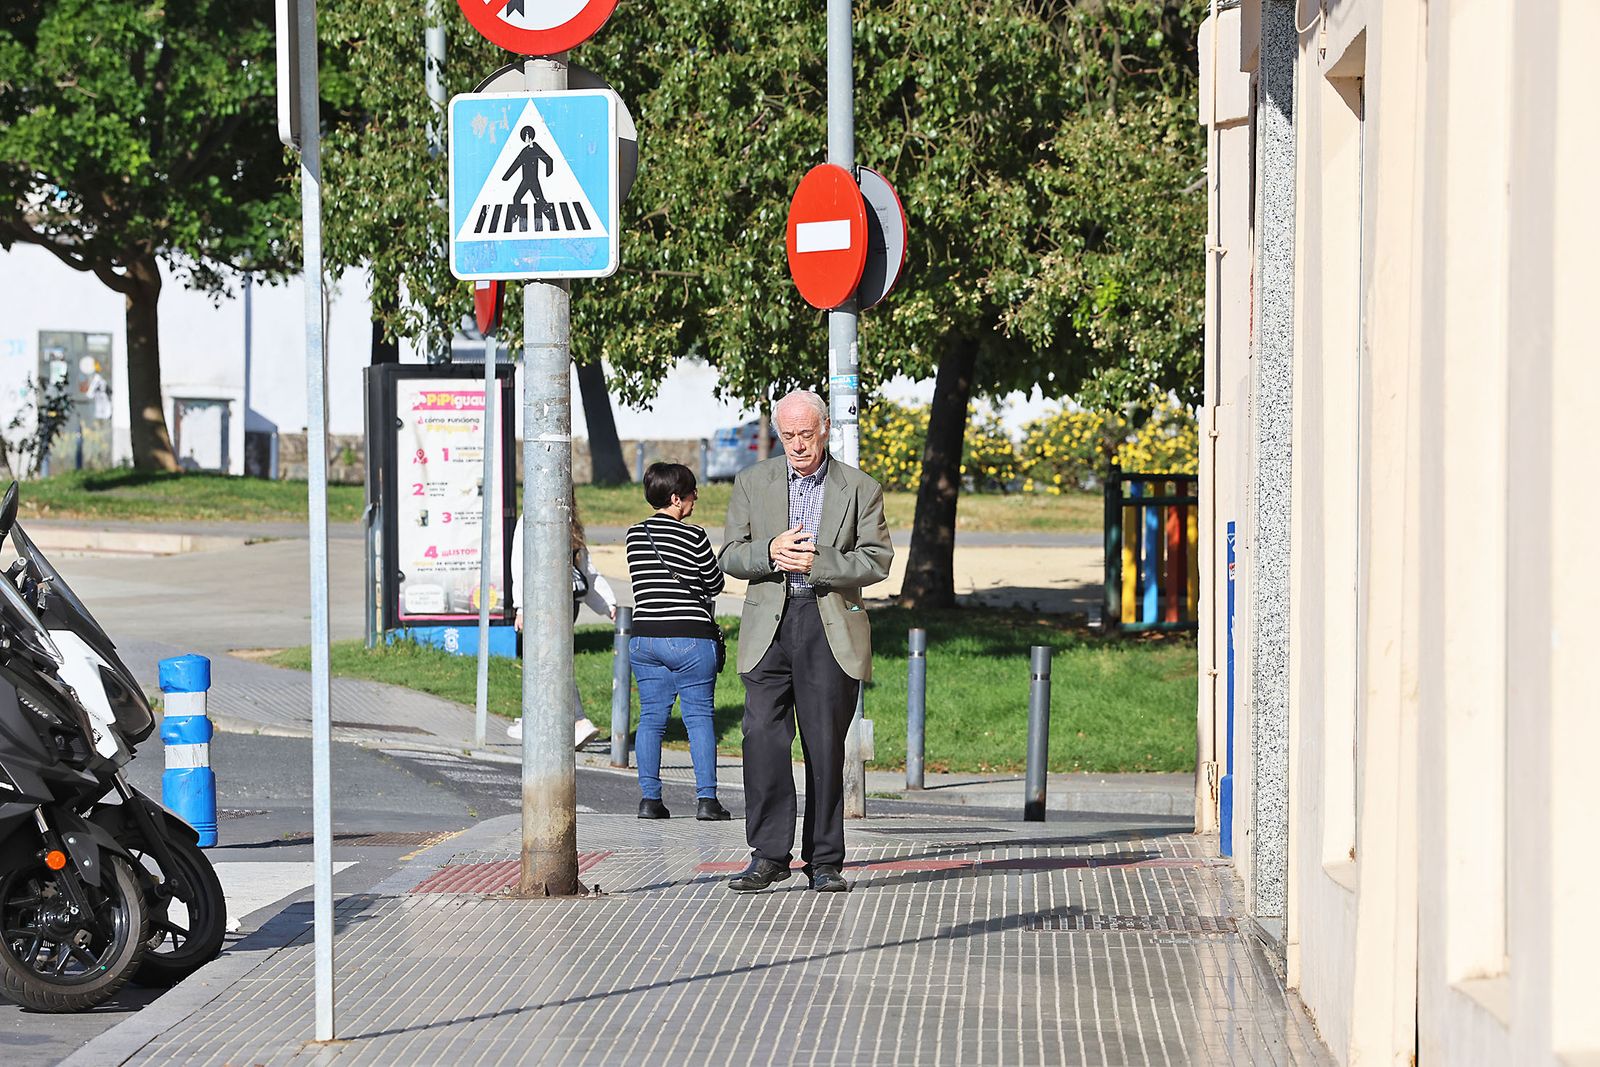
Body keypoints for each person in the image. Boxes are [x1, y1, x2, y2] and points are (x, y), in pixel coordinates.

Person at [718, 390, 893, 893]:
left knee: (823, 747)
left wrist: (822, 563)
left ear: (825, 430)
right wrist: (770, 552)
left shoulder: (860, 488)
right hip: (767, 626)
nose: (797, 444)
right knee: (763, 741)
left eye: (806, 434)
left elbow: (877, 560)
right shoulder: (753, 482)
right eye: (788, 435)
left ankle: (824, 860)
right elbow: (729, 553)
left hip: (828, 625)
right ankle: (768, 855)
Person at [624, 463, 730, 821]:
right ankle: (706, 801)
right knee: (698, 718)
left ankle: (649, 800)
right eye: (692, 492)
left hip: (644, 640)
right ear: (675, 498)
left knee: (651, 719)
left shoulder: (634, 535)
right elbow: (714, 583)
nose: (696, 497)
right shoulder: (695, 536)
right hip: (689, 638)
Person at [507, 490, 615, 747]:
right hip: (568, 605)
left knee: (547, 663)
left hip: (541, 604)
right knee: (551, 662)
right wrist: (607, 604)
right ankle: (536, 718)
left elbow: (520, 564)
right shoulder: (570, 521)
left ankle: (576, 721)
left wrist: (521, 606)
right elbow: (586, 571)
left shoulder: (529, 519)